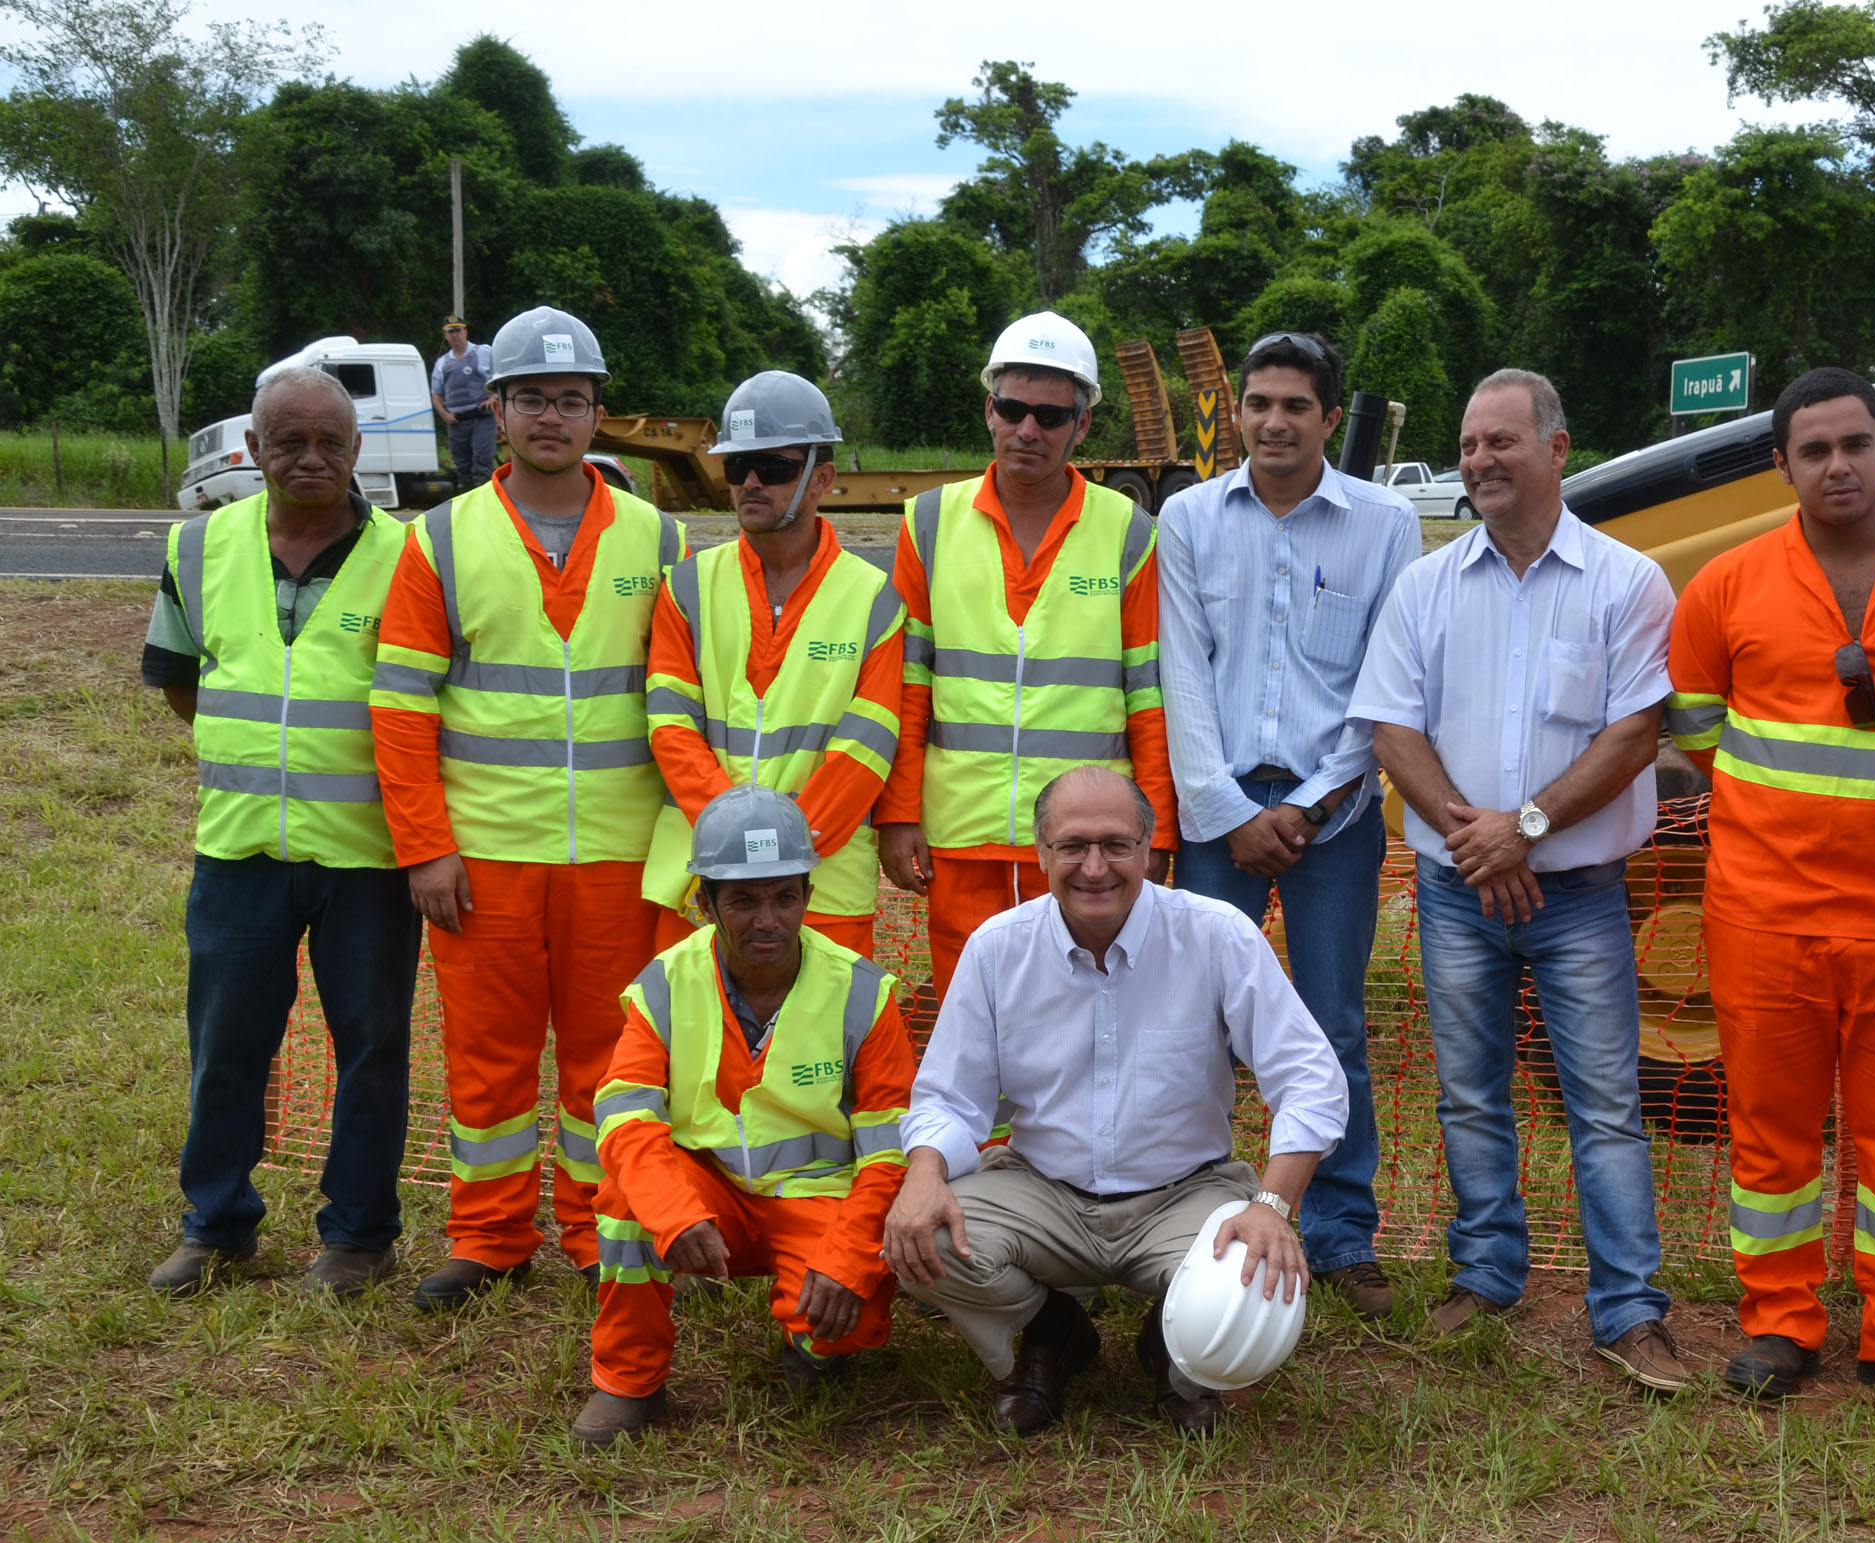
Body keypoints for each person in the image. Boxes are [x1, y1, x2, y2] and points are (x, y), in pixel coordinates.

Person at [1666, 367, 1875, 1415]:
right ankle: (1778, 1324)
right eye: (1811, 450)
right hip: (1762, 917)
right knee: (1770, 1135)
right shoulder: (1723, 586)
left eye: (1853, 444)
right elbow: (1694, 730)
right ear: (1780, 466)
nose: (1835, 465)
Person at [1349, 369, 1690, 1392]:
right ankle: (1486, 1276)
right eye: (1466, 445)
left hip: (1578, 894)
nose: (1478, 461)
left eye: (1499, 441)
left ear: (1556, 448)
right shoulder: (1426, 586)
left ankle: (1627, 1311)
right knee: (1466, 1096)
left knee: (1604, 1105)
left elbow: (1637, 730)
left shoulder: (1627, 583)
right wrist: (1473, 840)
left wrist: (1525, 828)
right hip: (1459, 890)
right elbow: (1390, 724)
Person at [373, 305, 684, 1311]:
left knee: (612, 1062)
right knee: (488, 1062)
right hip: (487, 856)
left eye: (572, 400)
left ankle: (603, 1231)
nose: (551, 417)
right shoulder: (442, 542)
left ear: (599, 415)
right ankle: (490, 1235)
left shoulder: (661, 540)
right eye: (531, 399)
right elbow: (402, 704)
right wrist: (425, 847)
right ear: (492, 410)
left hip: (619, 854)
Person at [883, 766, 1346, 1438]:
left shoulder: (1217, 934)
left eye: (1116, 844)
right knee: (920, 1236)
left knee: (1252, 1282)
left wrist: (1272, 1206)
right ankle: (1054, 1333)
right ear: (1041, 852)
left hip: (1182, 1195)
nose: (1094, 866)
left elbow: (1309, 1078)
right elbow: (950, 1097)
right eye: (1072, 846)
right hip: (1044, 1190)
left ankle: (1171, 1346)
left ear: (1151, 847)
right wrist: (923, 1176)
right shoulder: (996, 949)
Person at [1156, 329, 1421, 1321]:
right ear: (1236, 414)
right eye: (1256, 403)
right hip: (1214, 814)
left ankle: (1341, 1232)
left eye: (1293, 406)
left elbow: (1382, 685)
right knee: (1194, 1022)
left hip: (1335, 817)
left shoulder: (1384, 523)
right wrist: (1227, 812)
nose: (1271, 421)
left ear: (1327, 418)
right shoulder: (1185, 519)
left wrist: (1308, 806)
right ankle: (1190, 1212)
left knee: (1330, 1024)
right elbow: (1178, 674)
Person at [140, 365, 422, 1299]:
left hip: (368, 858)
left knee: (372, 1046)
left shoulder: (410, 555)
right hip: (238, 850)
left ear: (357, 451)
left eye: (331, 443)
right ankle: (216, 1224)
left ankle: (359, 1235)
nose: (311, 459)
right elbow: (181, 682)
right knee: (227, 1045)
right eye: (289, 442)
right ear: (252, 449)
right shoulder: (199, 548)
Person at [572, 786, 914, 1446]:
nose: (769, 920)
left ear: (809, 896)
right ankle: (628, 1381)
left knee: (845, 1320)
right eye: (744, 899)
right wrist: (674, 1211)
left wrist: (847, 1259)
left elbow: (891, 1152)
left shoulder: (863, 993)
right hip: (707, 1203)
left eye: (786, 896)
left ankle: (810, 1342)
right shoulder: (665, 985)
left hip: (817, 1200)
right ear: (704, 903)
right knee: (626, 1201)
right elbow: (623, 1115)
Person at [876, 311, 1177, 1003]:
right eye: (1012, 409)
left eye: (1050, 415)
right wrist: (898, 814)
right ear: (989, 408)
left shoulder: (1127, 530)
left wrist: (1154, 824)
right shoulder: (928, 522)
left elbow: (1148, 692)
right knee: (974, 1019)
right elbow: (906, 682)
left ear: (1083, 425)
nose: (1028, 430)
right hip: (962, 833)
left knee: (1088, 1014)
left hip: (1086, 843)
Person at [643, 372, 904, 958]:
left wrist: (777, 856)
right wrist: (732, 851)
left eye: (774, 467)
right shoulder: (686, 588)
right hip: (700, 886)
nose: (751, 483)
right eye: (737, 468)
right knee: (694, 1047)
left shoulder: (874, 600)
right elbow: (670, 726)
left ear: (823, 479)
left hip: (821, 890)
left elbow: (867, 746)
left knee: (817, 1047)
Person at [430, 316, 496, 493]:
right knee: (463, 468)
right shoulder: (442, 363)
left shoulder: (482, 352)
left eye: (458, 330)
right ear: (445, 336)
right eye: (450, 332)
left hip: (481, 418)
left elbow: (501, 377)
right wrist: (444, 414)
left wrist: (494, 397)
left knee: (482, 464)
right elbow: (436, 394)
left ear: (465, 331)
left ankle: (487, 506)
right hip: (457, 422)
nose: (455, 336)